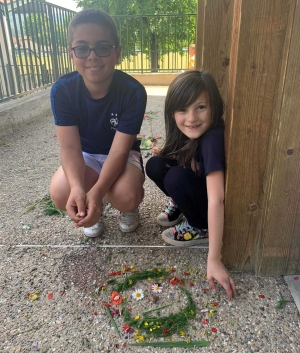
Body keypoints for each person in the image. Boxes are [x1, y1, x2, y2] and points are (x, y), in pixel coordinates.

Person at [49, 9, 147, 237]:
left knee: (126, 195)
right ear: (71, 54)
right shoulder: (62, 91)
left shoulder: (133, 92)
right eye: (82, 48)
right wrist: (78, 189)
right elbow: (70, 147)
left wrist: (98, 191)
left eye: (103, 47)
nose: (92, 56)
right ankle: (91, 206)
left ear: (117, 53)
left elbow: (120, 150)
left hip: (122, 156)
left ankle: (126, 207)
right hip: (86, 154)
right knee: (60, 192)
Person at [146, 70, 236, 298]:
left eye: (201, 107)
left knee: (175, 177)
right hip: (199, 190)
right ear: (172, 113)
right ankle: (182, 203)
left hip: (211, 209)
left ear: (214, 105)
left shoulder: (212, 140)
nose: (192, 118)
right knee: (156, 165)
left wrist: (214, 258)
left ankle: (199, 226)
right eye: (183, 109)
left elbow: (217, 198)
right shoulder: (191, 133)